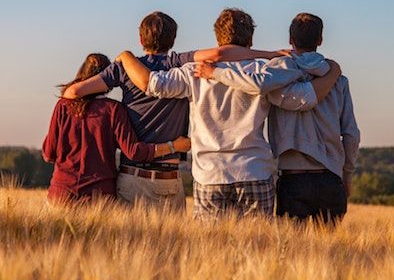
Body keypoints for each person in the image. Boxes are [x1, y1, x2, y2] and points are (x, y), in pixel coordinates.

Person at [115, 8, 341, 220]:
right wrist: (332, 73)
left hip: (210, 174)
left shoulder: (193, 71)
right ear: (250, 40)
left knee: (210, 252)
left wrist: (126, 56)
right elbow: (302, 98)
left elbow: (152, 84)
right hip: (255, 170)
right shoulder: (264, 70)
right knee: (258, 251)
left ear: (218, 39)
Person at [62, 11, 289, 209]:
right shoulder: (178, 63)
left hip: (132, 176)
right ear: (173, 39)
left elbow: (72, 93)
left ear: (141, 39)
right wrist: (269, 55)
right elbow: (220, 55)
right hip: (170, 177)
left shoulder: (124, 68)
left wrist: (113, 101)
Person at [197, 13, 360, 224]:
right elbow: (351, 134)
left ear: (290, 40)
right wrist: (347, 175)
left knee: (291, 253)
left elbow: (257, 84)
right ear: (320, 40)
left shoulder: (276, 75)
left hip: (293, 179)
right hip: (331, 178)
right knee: (331, 254)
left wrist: (215, 73)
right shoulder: (338, 80)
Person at [42, 53, 191, 204]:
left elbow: (49, 153)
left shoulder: (63, 105)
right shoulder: (113, 110)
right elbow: (134, 152)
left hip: (61, 194)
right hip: (99, 196)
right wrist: (174, 146)